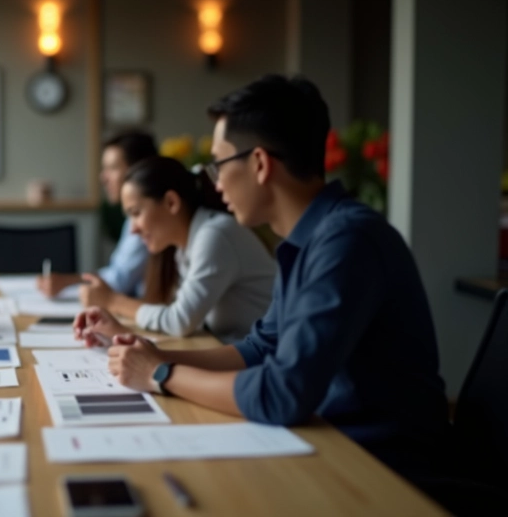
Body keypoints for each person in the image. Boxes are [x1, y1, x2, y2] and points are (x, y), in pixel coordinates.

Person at [75, 75, 450, 486]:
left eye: (218, 165)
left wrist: (161, 376)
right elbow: (259, 348)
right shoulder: (307, 239)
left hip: (381, 467)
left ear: (259, 164)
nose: (214, 184)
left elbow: (282, 394)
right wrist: (157, 356)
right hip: (326, 440)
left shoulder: (347, 241)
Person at [78, 156, 275, 343]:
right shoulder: (185, 247)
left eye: (136, 213)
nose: (133, 229)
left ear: (171, 202)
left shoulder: (214, 236)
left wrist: (113, 301)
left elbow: (179, 321)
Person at [37, 129, 158, 298]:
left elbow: (120, 281)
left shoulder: (148, 221)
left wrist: (68, 281)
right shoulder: (132, 220)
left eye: (112, 168)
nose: (103, 177)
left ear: (138, 172)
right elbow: (117, 272)